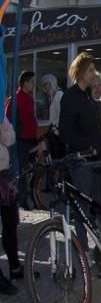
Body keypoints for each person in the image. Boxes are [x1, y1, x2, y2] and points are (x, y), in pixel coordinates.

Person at [59, 53, 101, 276]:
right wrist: (88, 145)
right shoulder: (70, 97)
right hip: (81, 162)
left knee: (99, 209)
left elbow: (96, 127)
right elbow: (65, 130)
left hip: (97, 161)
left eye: (94, 69)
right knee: (82, 214)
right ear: (80, 71)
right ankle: (84, 257)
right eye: (90, 70)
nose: (94, 74)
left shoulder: (88, 96)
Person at [5, 71, 38, 208]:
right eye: (31, 82)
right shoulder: (15, 99)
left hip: (30, 139)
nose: (33, 85)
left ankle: (28, 197)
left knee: (30, 170)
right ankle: (22, 201)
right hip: (21, 140)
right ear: (25, 83)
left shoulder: (30, 98)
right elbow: (9, 119)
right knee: (21, 172)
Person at [0, 116, 20, 294]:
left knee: (11, 222)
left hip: (3, 174)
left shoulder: (1, 115)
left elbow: (10, 137)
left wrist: (3, 132)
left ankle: (15, 267)